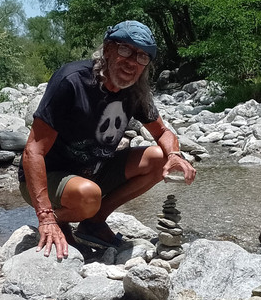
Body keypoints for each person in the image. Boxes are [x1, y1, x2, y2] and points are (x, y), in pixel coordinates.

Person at [20, 20, 196, 260]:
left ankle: (93, 222)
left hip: (93, 171)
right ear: (107, 49)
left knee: (159, 158)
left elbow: (162, 132)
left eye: (142, 56)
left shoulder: (135, 90)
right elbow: (33, 151)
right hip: (48, 176)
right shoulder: (72, 80)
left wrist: (175, 155)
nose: (132, 62)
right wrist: (45, 216)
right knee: (88, 195)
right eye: (125, 50)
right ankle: (58, 220)